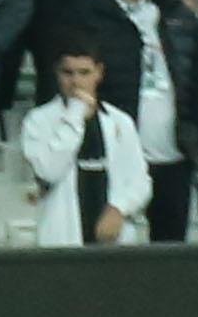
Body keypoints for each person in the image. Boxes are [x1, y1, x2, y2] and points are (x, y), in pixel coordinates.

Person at [20, 45, 152, 245]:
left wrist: (119, 208)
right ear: (57, 73)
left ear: (98, 72)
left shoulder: (120, 121)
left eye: (84, 73)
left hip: (112, 239)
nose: (76, 82)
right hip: (63, 239)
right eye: (68, 73)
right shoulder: (38, 121)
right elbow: (48, 171)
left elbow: (141, 181)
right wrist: (74, 117)